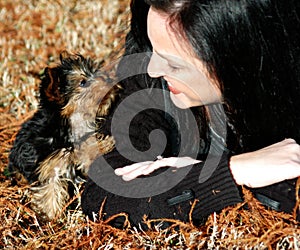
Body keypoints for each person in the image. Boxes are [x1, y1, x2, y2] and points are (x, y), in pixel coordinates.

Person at [81, 0, 300, 228]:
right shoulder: (156, 54)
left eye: (175, 66)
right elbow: (105, 195)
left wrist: (183, 179)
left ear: (240, 61)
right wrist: (231, 171)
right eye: (152, 47)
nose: (152, 70)